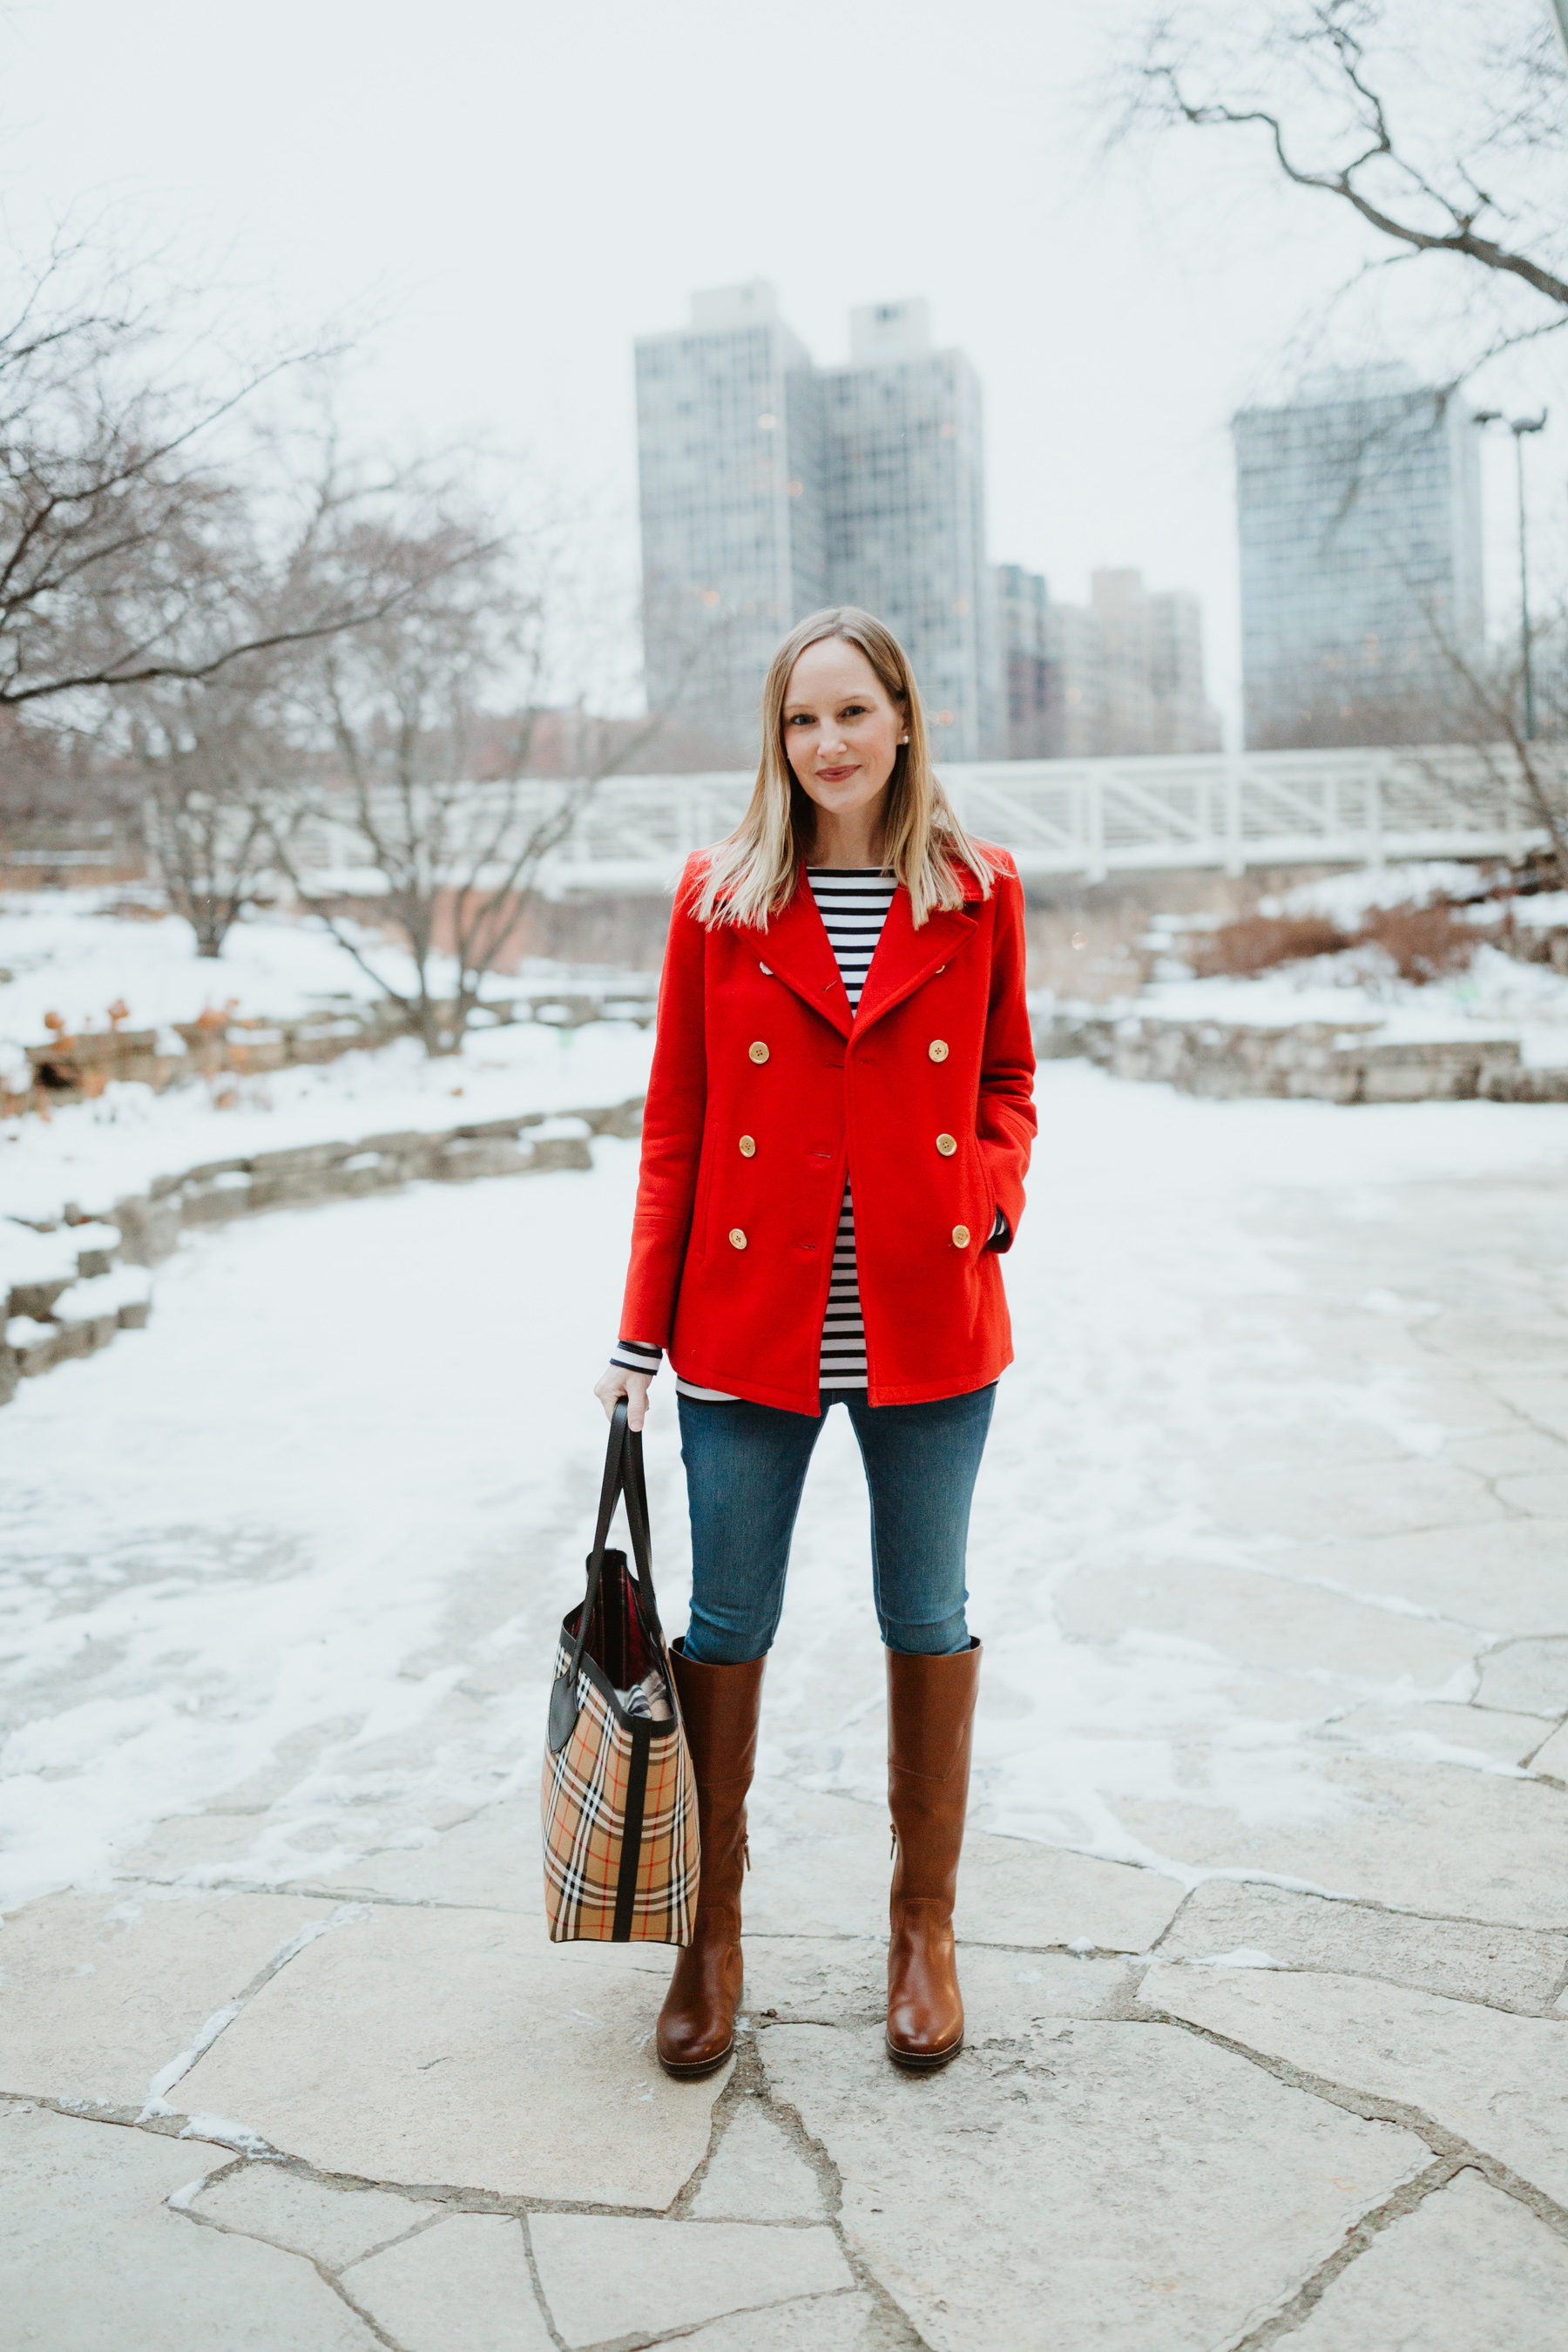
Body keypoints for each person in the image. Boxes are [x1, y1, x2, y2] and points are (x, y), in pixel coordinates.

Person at [594, 606, 1036, 2079]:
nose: (828, 743)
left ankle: (924, 1935)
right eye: (801, 720)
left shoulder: (978, 892)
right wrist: (637, 1335)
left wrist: (980, 1195)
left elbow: (1008, 1083)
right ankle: (707, 1943)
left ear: (904, 721)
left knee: (929, 1611)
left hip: (927, 1317)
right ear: (776, 741)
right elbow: (677, 1130)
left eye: (854, 713)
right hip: (748, 1327)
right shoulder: (716, 899)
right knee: (726, 1627)